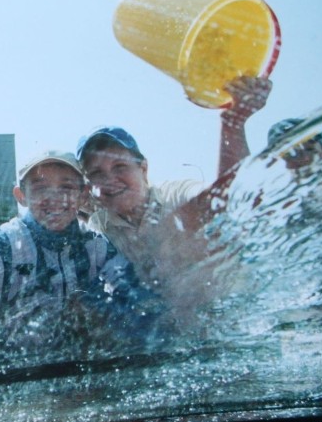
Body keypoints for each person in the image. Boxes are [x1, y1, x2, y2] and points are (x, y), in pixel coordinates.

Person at [76, 76, 272, 295]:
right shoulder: (99, 230)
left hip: (242, 305)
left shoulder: (175, 195)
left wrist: (233, 123)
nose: (110, 179)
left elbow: (230, 198)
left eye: (120, 166)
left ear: (144, 169)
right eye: (97, 174)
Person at [0, 150, 152, 368]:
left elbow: (137, 304)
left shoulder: (96, 246)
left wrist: (97, 310)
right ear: (22, 196)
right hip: (13, 381)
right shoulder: (1, 247)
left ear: (83, 195)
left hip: (84, 375)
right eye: (40, 188)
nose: (54, 198)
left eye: (66, 187)